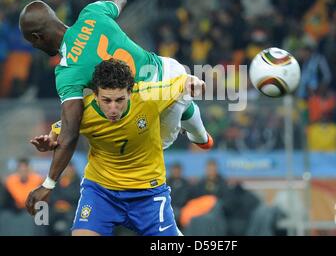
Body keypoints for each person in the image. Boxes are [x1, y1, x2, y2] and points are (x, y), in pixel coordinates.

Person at [19, 0, 213, 208]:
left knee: (133, 139)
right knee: (170, 97)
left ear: (37, 37)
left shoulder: (67, 72)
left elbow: (72, 130)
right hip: (169, 69)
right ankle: (196, 127)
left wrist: (48, 184)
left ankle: (187, 114)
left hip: (152, 105)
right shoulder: (91, 14)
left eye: (30, 42)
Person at [28, 59, 206, 236]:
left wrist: (194, 82)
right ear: (95, 95)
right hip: (101, 192)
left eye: (120, 100)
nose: (113, 108)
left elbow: (182, 81)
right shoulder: (84, 112)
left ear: (130, 92)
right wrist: (49, 141)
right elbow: (60, 129)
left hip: (148, 193)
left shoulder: (148, 95)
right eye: (106, 100)